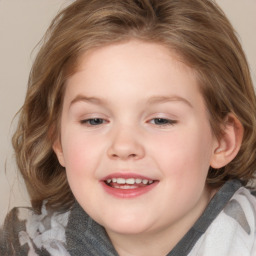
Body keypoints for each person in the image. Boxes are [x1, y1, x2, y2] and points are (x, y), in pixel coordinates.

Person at [1, 0, 256, 255]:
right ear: (58, 140)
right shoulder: (27, 246)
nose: (123, 146)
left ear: (223, 140)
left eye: (160, 120)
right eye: (94, 120)